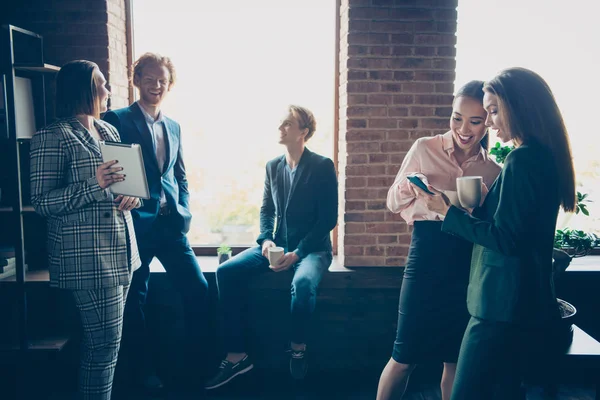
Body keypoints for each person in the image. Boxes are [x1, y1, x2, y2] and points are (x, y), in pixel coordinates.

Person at [418, 67, 575, 399]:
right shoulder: (543, 156)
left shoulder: (523, 159)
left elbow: (506, 239)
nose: (488, 122)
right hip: (523, 304)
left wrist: (448, 211)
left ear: (518, 107)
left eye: (492, 111)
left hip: (500, 305)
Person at [376, 81, 502, 400]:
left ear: (488, 120)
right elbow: (393, 202)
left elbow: (490, 228)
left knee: (455, 359)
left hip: (467, 265)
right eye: (456, 117)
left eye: (475, 121)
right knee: (404, 356)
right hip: (426, 257)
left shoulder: (493, 169)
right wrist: (410, 186)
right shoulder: (424, 148)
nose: (463, 128)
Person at [204, 105, 338, 389]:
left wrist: (298, 253)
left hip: (312, 249)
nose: (281, 127)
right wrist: (266, 240)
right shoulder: (272, 166)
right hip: (275, 244)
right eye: (281, 123)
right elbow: (266, 209)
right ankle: (237, 355)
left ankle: (298, 348)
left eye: (288, 123)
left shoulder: (322, 165)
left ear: (304, 132)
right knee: (226, 273)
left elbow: (328, 219)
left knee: (302, 285)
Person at [30, 60, 141, 400]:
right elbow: (41, 202)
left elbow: (126, 185)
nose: (108, 92)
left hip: (123, 252)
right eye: (103, 84)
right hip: (87, 260)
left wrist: (132, 196)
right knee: (102, 348)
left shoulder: (108, 130)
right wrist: (95, 185)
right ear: (84, 89)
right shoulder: (51, 136)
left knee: (110, 347)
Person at [103, 53, 208, 392]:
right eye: (149, 78)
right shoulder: (115, 119)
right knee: (135, 299)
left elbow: (180, 176)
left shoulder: (174, 126)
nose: (156, 85)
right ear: (137, 80)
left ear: (169, 84)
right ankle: (142, 373)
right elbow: (112, 171)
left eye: (162, 80)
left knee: (199, 289)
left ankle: (196, 369)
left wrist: (185, 211)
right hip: (135, 226)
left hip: (171, 227)